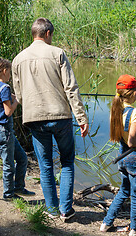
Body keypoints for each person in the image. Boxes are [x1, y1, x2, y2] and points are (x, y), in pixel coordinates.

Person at [12, 17, 89, 221]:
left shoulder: (18, 59)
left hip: (34, 119)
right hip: (60, 117)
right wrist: (81, 118)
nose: (51, 38)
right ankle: (66, 210)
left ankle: (52, 210)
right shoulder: (57, 53)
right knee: (67, 162)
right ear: (47, 34)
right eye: (51, 35)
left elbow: (18, 95)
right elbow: (71, 89)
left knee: (45, 165)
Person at [100, 74, 136, 236]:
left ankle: (106, 223)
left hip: (122, 156)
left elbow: (125, 138)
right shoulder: (135, 112)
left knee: (124, 191)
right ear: (132, 93)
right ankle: (135, 229)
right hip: (135, 158)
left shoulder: (116, 109)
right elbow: (132, 142)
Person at [0, 58, 35, 201]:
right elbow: (8, 112)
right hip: (4, 131)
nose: (11, 75)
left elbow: (7, 98)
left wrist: (18, 96)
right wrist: (17, 102)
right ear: (5, 71)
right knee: (9, 165)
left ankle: (18, 187)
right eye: (10, 72)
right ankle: (9, 195)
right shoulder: (5, 88)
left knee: (22, 159)